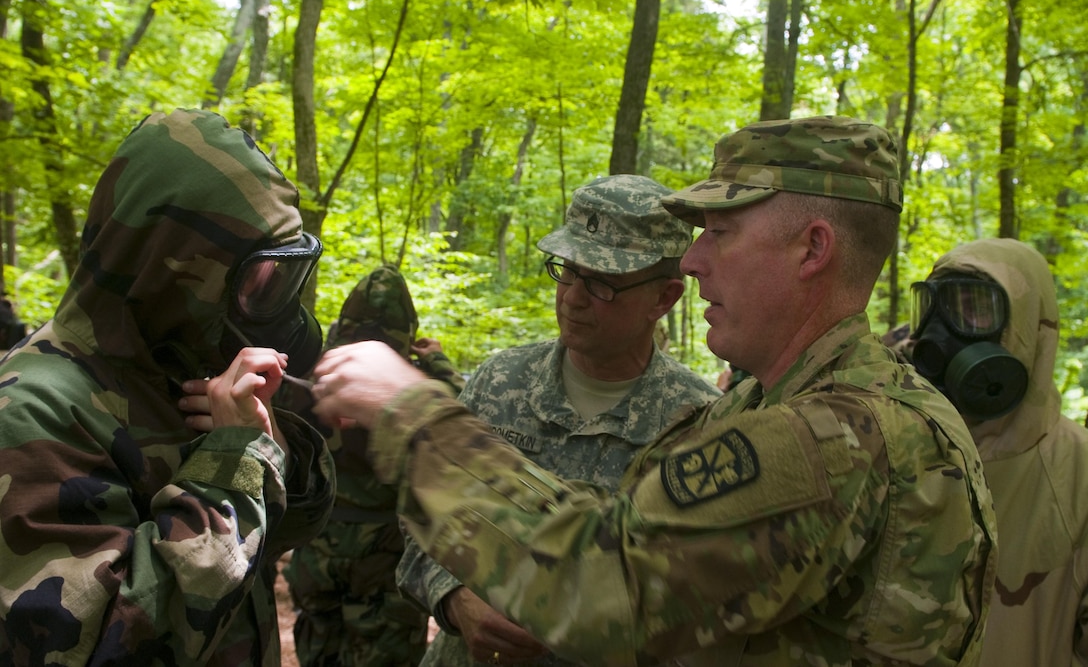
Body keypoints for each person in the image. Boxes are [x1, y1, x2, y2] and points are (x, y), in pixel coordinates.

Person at [308, 116, 998, 665]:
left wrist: (414, 416)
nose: (693, 261)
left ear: (811, 250)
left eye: (719, 232)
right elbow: (627, 529)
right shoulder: (773, 405)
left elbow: (607, 576)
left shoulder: (834, 435)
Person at [0, 108, 335, 664]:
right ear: (171, 264)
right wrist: (235, 465)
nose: (270, 302)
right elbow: (102, 647)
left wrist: (269, 442)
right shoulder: (32, 410)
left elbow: (295, 522)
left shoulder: (180, 362)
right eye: (255, 279)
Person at [396, 174, 722, 666]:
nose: (571, 297)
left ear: (665, 298)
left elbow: (699, 592)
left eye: (601, 283)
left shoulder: (698, 421)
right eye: (566, 271)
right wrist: (455, 596)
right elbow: (421, 510)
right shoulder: (499, 381)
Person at [902, 237, 1088, 665]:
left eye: (972, 309)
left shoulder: (1077, 477)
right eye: (930, 307)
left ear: (1029, 330)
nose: (936, 333)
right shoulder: (898, 448)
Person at [283, 264, 465, 667]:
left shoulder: (310, 378)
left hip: (319, 549)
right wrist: (437, 361)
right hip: (385, 556)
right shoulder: (411, 390)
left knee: (319, 648)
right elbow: (465, 416)